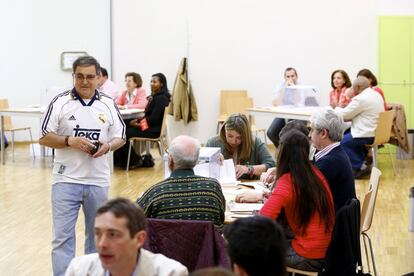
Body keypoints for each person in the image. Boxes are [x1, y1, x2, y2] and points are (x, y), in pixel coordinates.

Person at [40, 56, 126, 276]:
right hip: (65, 180)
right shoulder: (59, 102)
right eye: (80, 76)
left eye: (90, 77)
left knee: (98, 237)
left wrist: (107, 146)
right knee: (62, 239)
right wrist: (69, 141)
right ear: (73, 77)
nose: (85, 81)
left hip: (98, 181)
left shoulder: (107, 103)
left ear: (99, 78)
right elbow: (44, 137)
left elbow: (121, 137)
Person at [259, 130, 335, 271]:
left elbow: (262, 220)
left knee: (255, 248)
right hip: (327, 251)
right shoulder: (314, 173)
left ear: (281, 153)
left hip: (308, 255)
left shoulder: (287, 181)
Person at [65, 198, 188, 276]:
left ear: (139, 239)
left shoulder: (171, 273)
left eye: (112, 235)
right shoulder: (78, 270)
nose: (102, 244)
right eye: (98, 233)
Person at [137, 135, 226, 229]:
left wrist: (141, 198)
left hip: (166, 243)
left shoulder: (155, 193)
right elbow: (221, 217)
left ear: (170, 161)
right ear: (196, 161)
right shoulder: (213, 187)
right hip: (208, 243)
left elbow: (134, 220)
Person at [114, 73, 171, 169]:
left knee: (124, 133)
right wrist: (137, 122)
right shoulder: (156, 96)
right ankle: (122, 159)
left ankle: (135, 160)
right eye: (151, 81)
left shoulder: (161, 98)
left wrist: (138, 123)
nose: (152, 83)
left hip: (152, 130)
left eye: (155, 82)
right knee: (123, 127)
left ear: (161, 84)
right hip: (150, 127)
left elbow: (153, 119)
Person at [335, 76, 384, 178]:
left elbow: (344, 115)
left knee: (341, 142)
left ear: (357, 87)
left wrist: (336, 108)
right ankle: (362, 164)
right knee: (349, 137)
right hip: (376, 131)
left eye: (353, 87)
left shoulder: (361, 99)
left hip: (366, 133)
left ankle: (360, 167)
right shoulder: (376, 94)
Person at [309, 109, 356, 212]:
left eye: (312, 130)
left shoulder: (330, 162)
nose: (309, 135)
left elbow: (304, 188)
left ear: (323, 133)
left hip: (336, 222)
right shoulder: (335, 152)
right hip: (340, 215)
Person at [206, 113, 275, 180]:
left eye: (239, 138)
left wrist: (248, 169)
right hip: (220, 187)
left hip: (249, 187)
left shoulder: (255, 142)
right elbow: (199, 166)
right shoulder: (213, 142)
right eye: (230, 136)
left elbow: (271, 165)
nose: (233, 141)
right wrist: (212, 159)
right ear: (224, 131)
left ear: (245, 136)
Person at [267, 67, 306, 147]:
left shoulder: (300, 85)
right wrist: (284, 89)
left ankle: (293, 153)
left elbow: (298, 102)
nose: (290, 78)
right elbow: (275, 103)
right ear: (285, 78)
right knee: (271, 132)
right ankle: (282, 151)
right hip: (284, 114)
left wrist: (293, 88)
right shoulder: (281, 85)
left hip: (298, 115)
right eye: (288, 76)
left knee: (292, 134)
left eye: (292, 76)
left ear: (296, 76)